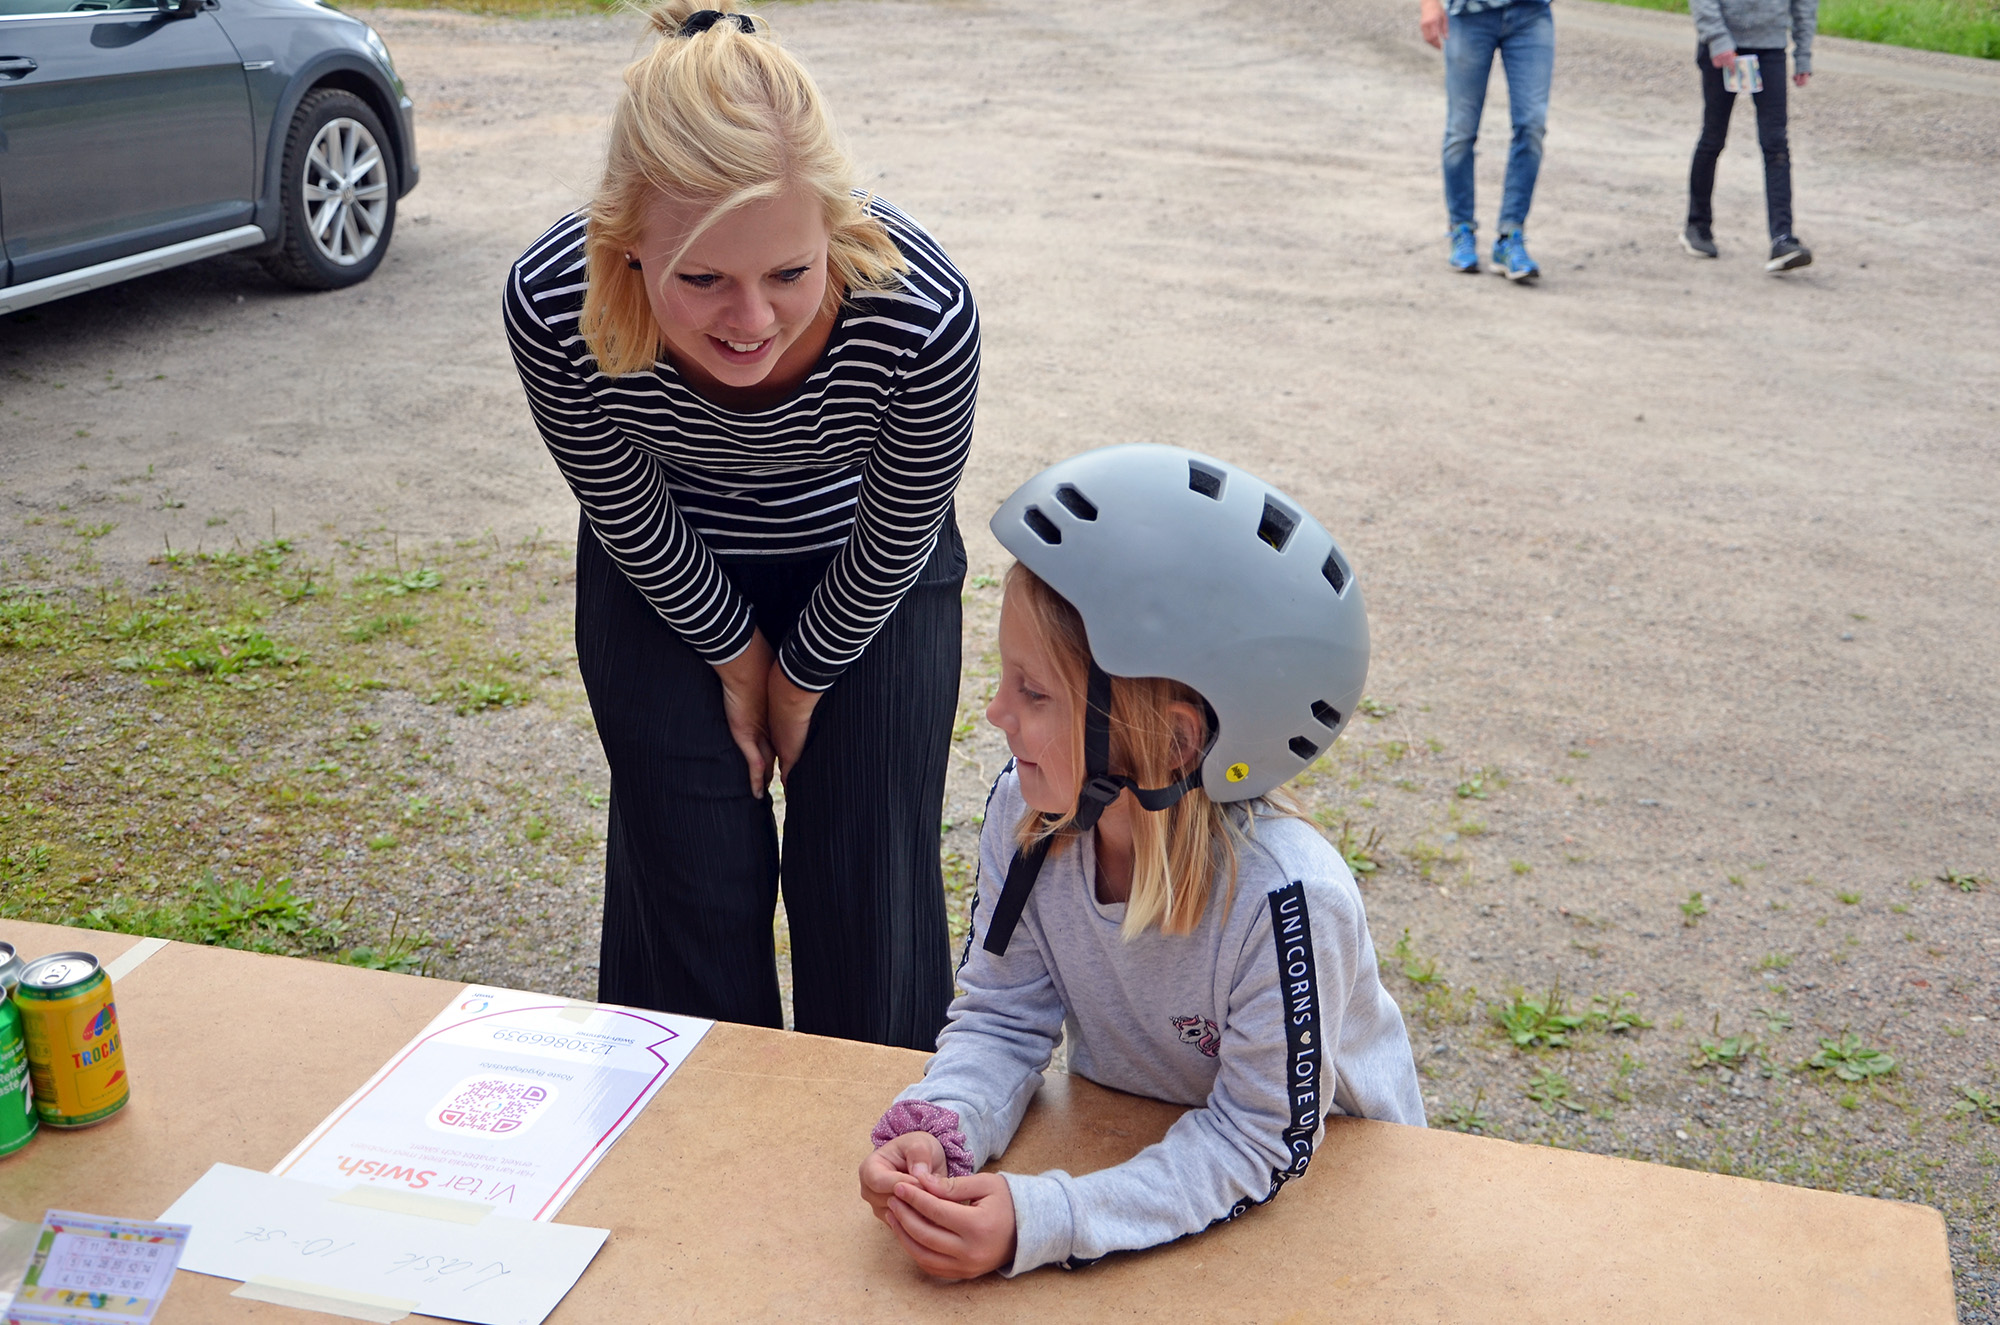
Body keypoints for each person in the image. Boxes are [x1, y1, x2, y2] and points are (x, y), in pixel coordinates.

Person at [502, 1, 980, 1050]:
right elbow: (619, 498)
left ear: (835, 229)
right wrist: (732, 653)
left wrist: (800, 674)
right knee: (684, 865)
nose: (752, 320)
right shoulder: (550, 301)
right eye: (703, 278)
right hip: (666, 559)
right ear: (626, 247)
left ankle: (885, 1136)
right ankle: (687, 1145)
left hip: (867, 566)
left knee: (867, 870)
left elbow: (903, 519)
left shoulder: (922, 312)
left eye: (789, 274)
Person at [856, 446, 1424, 1278]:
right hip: (1151, 1160)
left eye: (1034, 691)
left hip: (1322, 1214)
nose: (995, 711)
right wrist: (940, 1126)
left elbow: (1255, 1139)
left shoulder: (1286, 900)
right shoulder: (1031, 810)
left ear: (1176, 739)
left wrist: (1049, 1216)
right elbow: (1003, 1015)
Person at [1420, 0, 1554, 281]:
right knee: (1461, 130)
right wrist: (1430, 5)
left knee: (1532, 126)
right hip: (1468, 16)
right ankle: (1461, 229)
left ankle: (1510, 236)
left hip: (1531, 14)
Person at [1682, 0, 1817, 270]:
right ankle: (1697, 226)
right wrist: (1718, 38)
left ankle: (1782, 239)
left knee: (1776, 144)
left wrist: (1803, 53)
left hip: (1770, 50)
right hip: (1724, 46)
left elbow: (1805, 4)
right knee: (1713, 138)